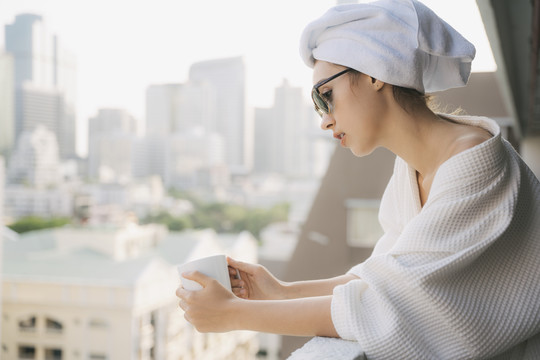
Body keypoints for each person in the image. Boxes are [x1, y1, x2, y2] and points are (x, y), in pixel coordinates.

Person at [176, 0, 540, 358]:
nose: (324, 119)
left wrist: (234, 314)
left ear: (373, 72)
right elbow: (384, 280)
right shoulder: (409, 172)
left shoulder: (475, 164)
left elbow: (391, 307)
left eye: (326, 96)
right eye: (318, 105)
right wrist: (280, 291)